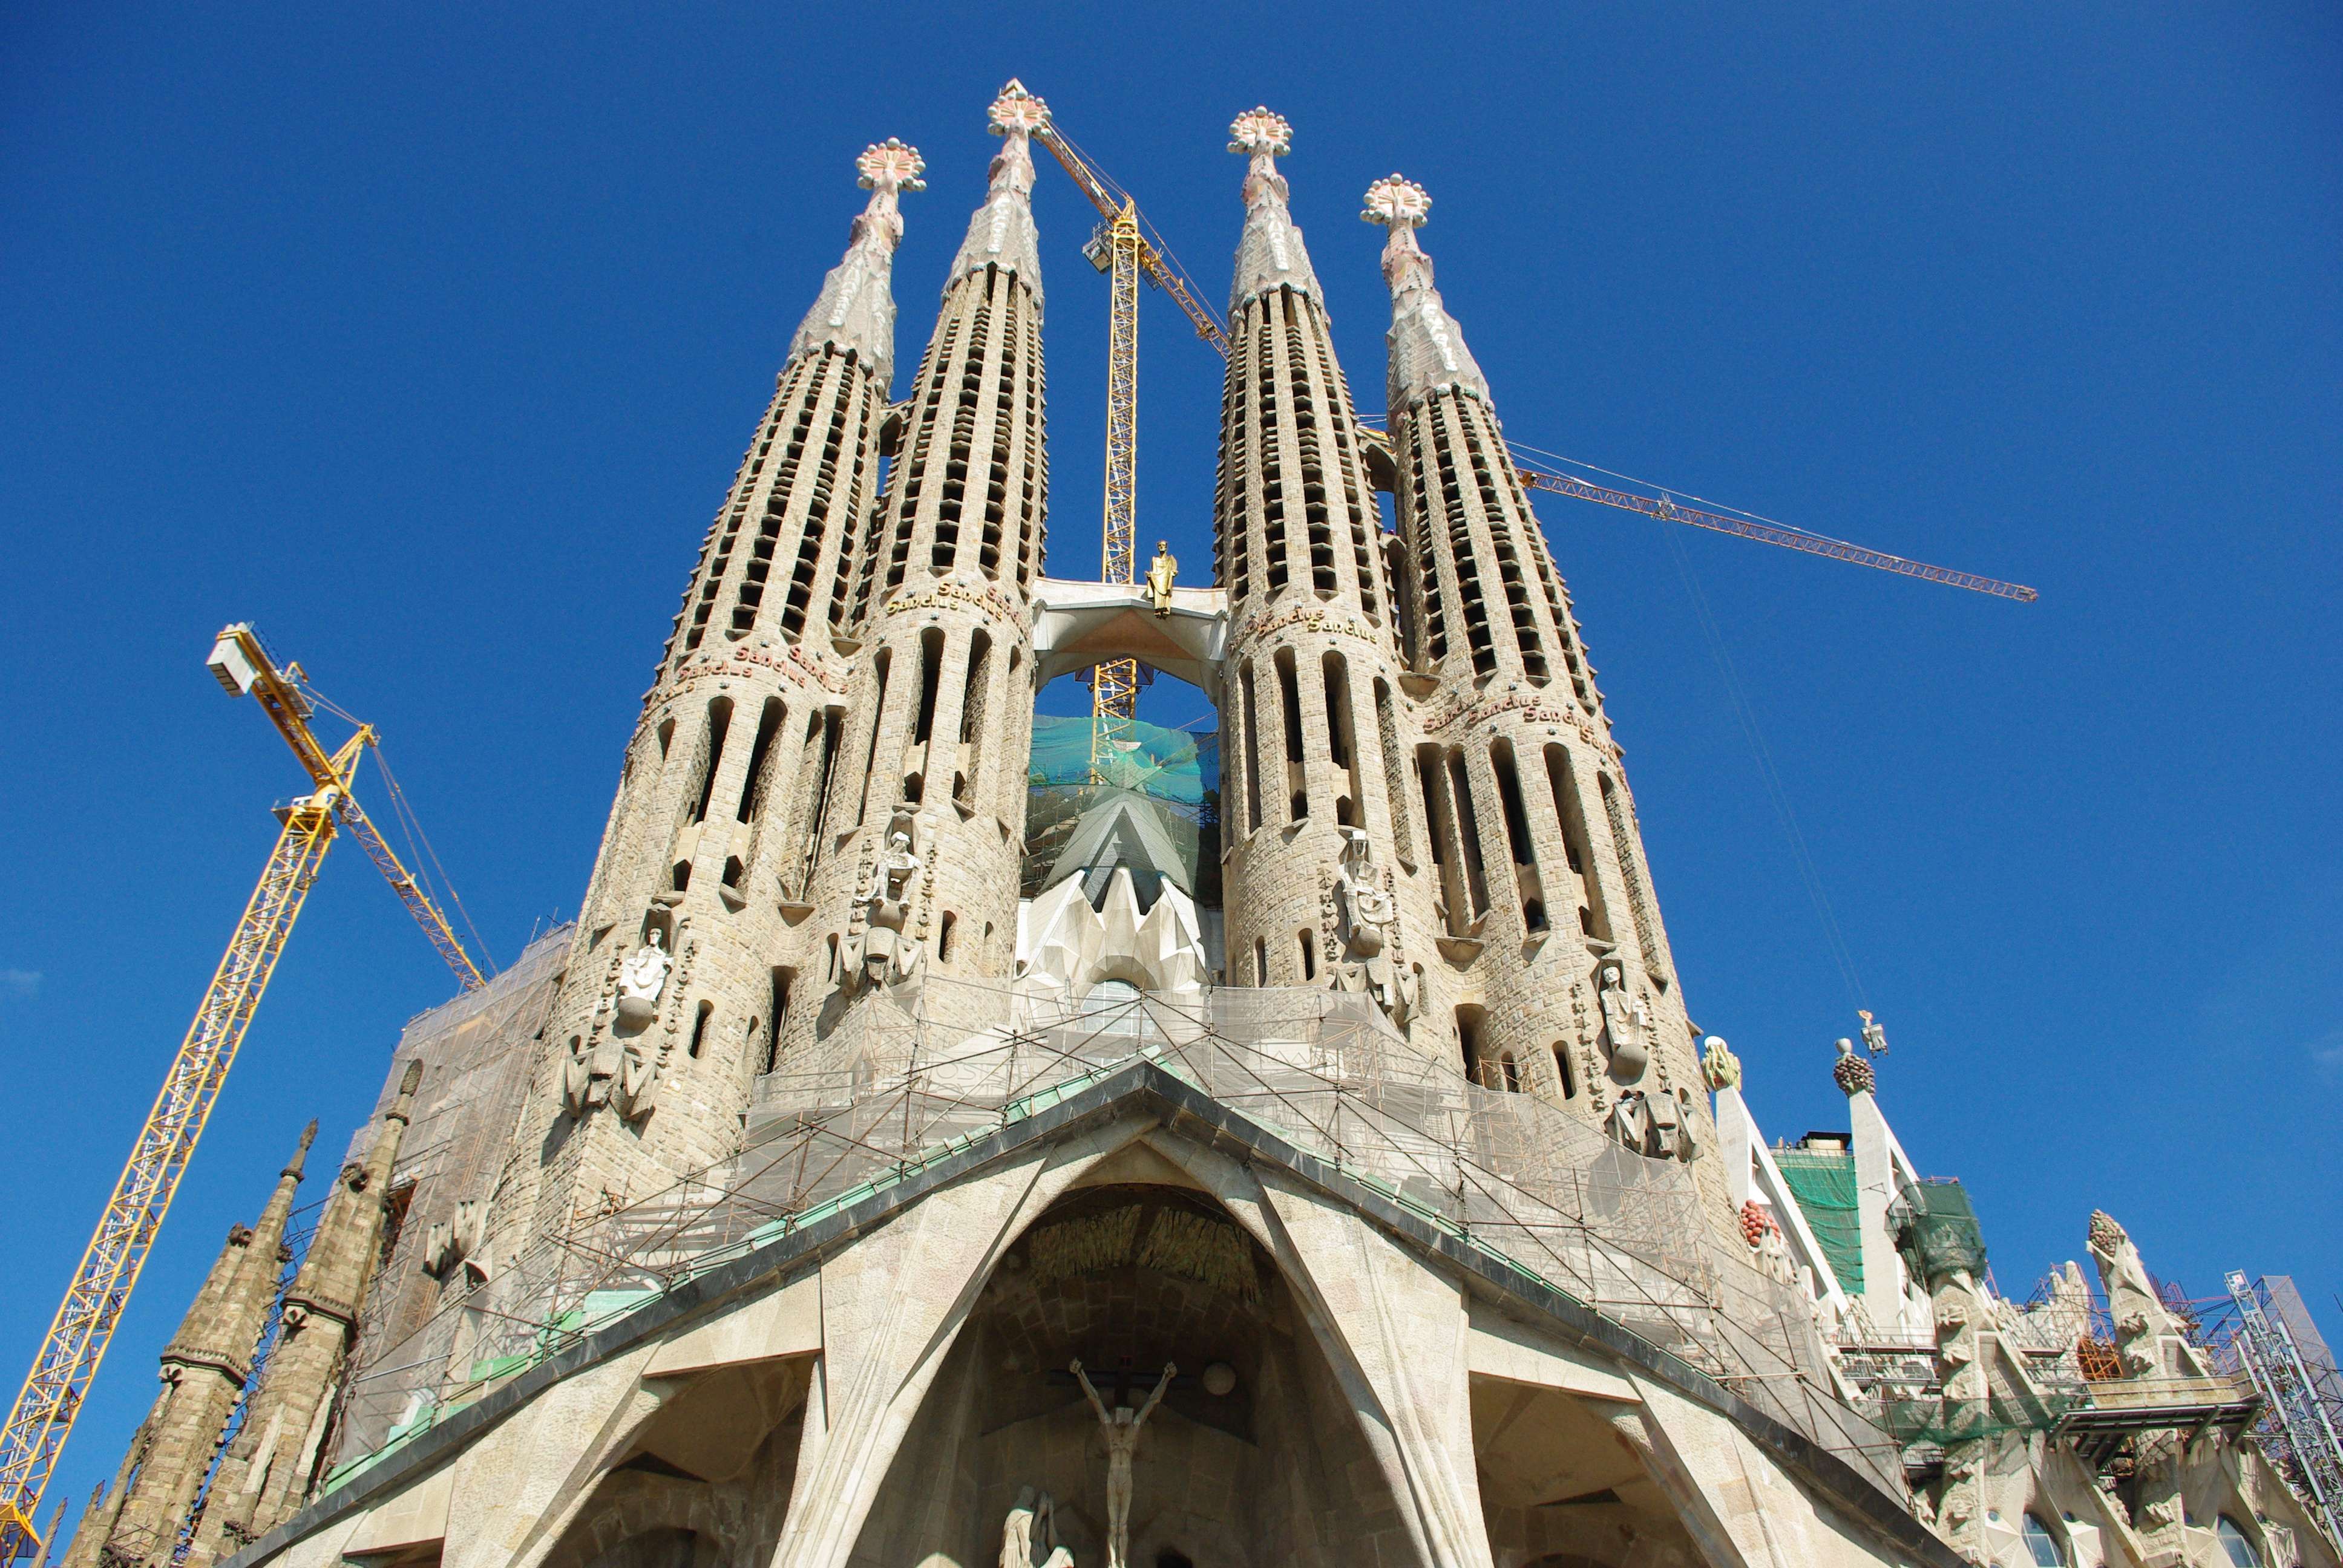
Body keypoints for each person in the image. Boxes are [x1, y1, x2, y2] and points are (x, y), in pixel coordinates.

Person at [1072, 1359, 1175, 1568]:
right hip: (1114, 1477)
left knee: (1122, 1527)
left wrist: (1166, 1378)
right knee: (1114, 1526)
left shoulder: (1134, 1430)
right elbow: (1095, 1399)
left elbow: (1152, 1402)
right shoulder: (1109, 1430)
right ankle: (1113, 1563)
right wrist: (1080, 1374)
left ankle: (1121, 1562)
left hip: (1126, 1478)